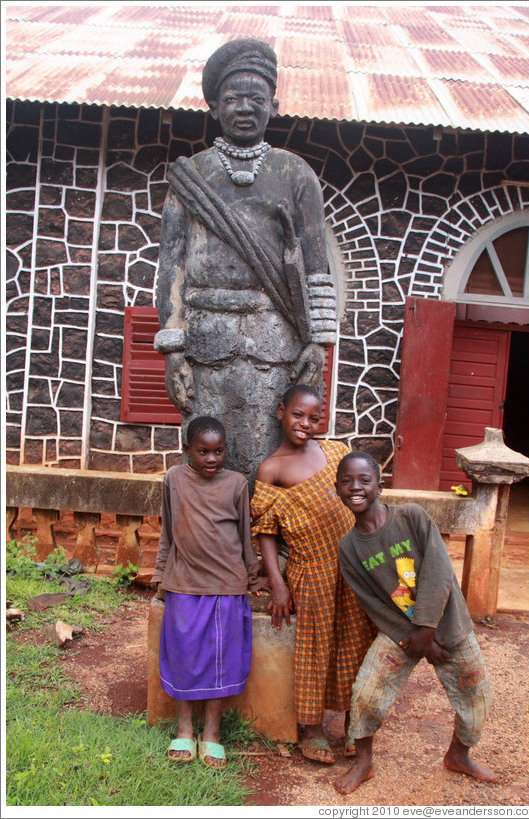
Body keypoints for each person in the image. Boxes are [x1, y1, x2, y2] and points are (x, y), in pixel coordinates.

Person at [154, 38, 338, 485]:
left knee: (269, 459)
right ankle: (209, 551)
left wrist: (317, 343)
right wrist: (174, 349)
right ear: (214, 107)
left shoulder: (295, 175)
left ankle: (263, 551)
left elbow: (317, 265)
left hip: (276, 343)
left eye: (256, 99)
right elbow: (171, 266)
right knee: (208, 458)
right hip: (205, 340)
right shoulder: (191, 175)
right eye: (233, 98)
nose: (244, 108)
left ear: (273, 106)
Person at [333, 450, 498, 794]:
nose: (355, 487)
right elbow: (373, 603)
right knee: (365, 692)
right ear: (337, 490)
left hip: (446, 623)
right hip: (402, 634)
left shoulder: (412, 517)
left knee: (476, 693)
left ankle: (459, 756)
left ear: (380, 485)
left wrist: (428, 630)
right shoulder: (348, 547)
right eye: (346, 481)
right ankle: (364, 763)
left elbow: (439, 572)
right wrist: (414, 637)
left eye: (365, 480)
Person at [251, 384, 377, 764]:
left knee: (358, 642)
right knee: (314, 650)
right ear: (280, 412)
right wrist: (277, 584)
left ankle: (358, 724)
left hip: (354, 567)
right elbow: (266, 532)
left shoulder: (336, 452)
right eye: (297, 415)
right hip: (310, 572)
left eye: (313, 417)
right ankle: (313, 728)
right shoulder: (271, 469)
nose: (305, 424)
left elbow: (365, 501)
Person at [150, 415, 268, 769]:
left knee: (221, 660)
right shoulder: (173, 480)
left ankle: (212, 734)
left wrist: (252, 576)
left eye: (218, 452)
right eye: (203, 451)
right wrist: (160, 574)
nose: (212, 459)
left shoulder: (236, 484)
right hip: (183, 583)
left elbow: (246, 537)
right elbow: (168, 532)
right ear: (187, 450)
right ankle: (184, 728)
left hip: (226, 587)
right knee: (184, 656)